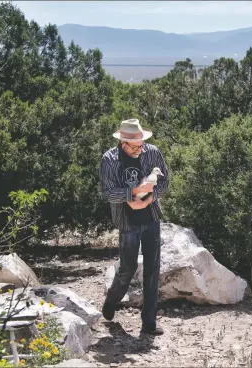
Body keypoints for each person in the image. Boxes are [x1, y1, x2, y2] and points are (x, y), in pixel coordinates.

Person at [99, 118, 169, 335]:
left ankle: (149, 323)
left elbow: (164, 183)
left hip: (151, 218)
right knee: (127, 269)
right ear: (123, 143)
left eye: (141, 144)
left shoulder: (153, 152)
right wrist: (131, 194)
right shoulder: (109, 159)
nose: (140, 149)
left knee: (152, 270)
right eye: (135, 146)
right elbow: (108, 192)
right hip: (127, 222)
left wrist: (148, 200)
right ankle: (112, 300)